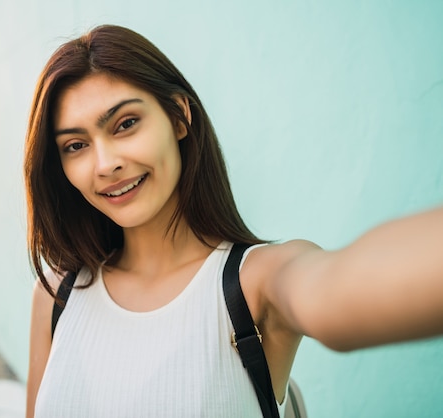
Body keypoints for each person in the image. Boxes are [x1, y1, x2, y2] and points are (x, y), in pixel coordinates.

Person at [23, 24, 443, 418]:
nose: (105, 164)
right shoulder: (59, 293)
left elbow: (342, 285)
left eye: (126, 124)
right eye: (76, 145)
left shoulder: (255, 283)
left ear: (178, 117)